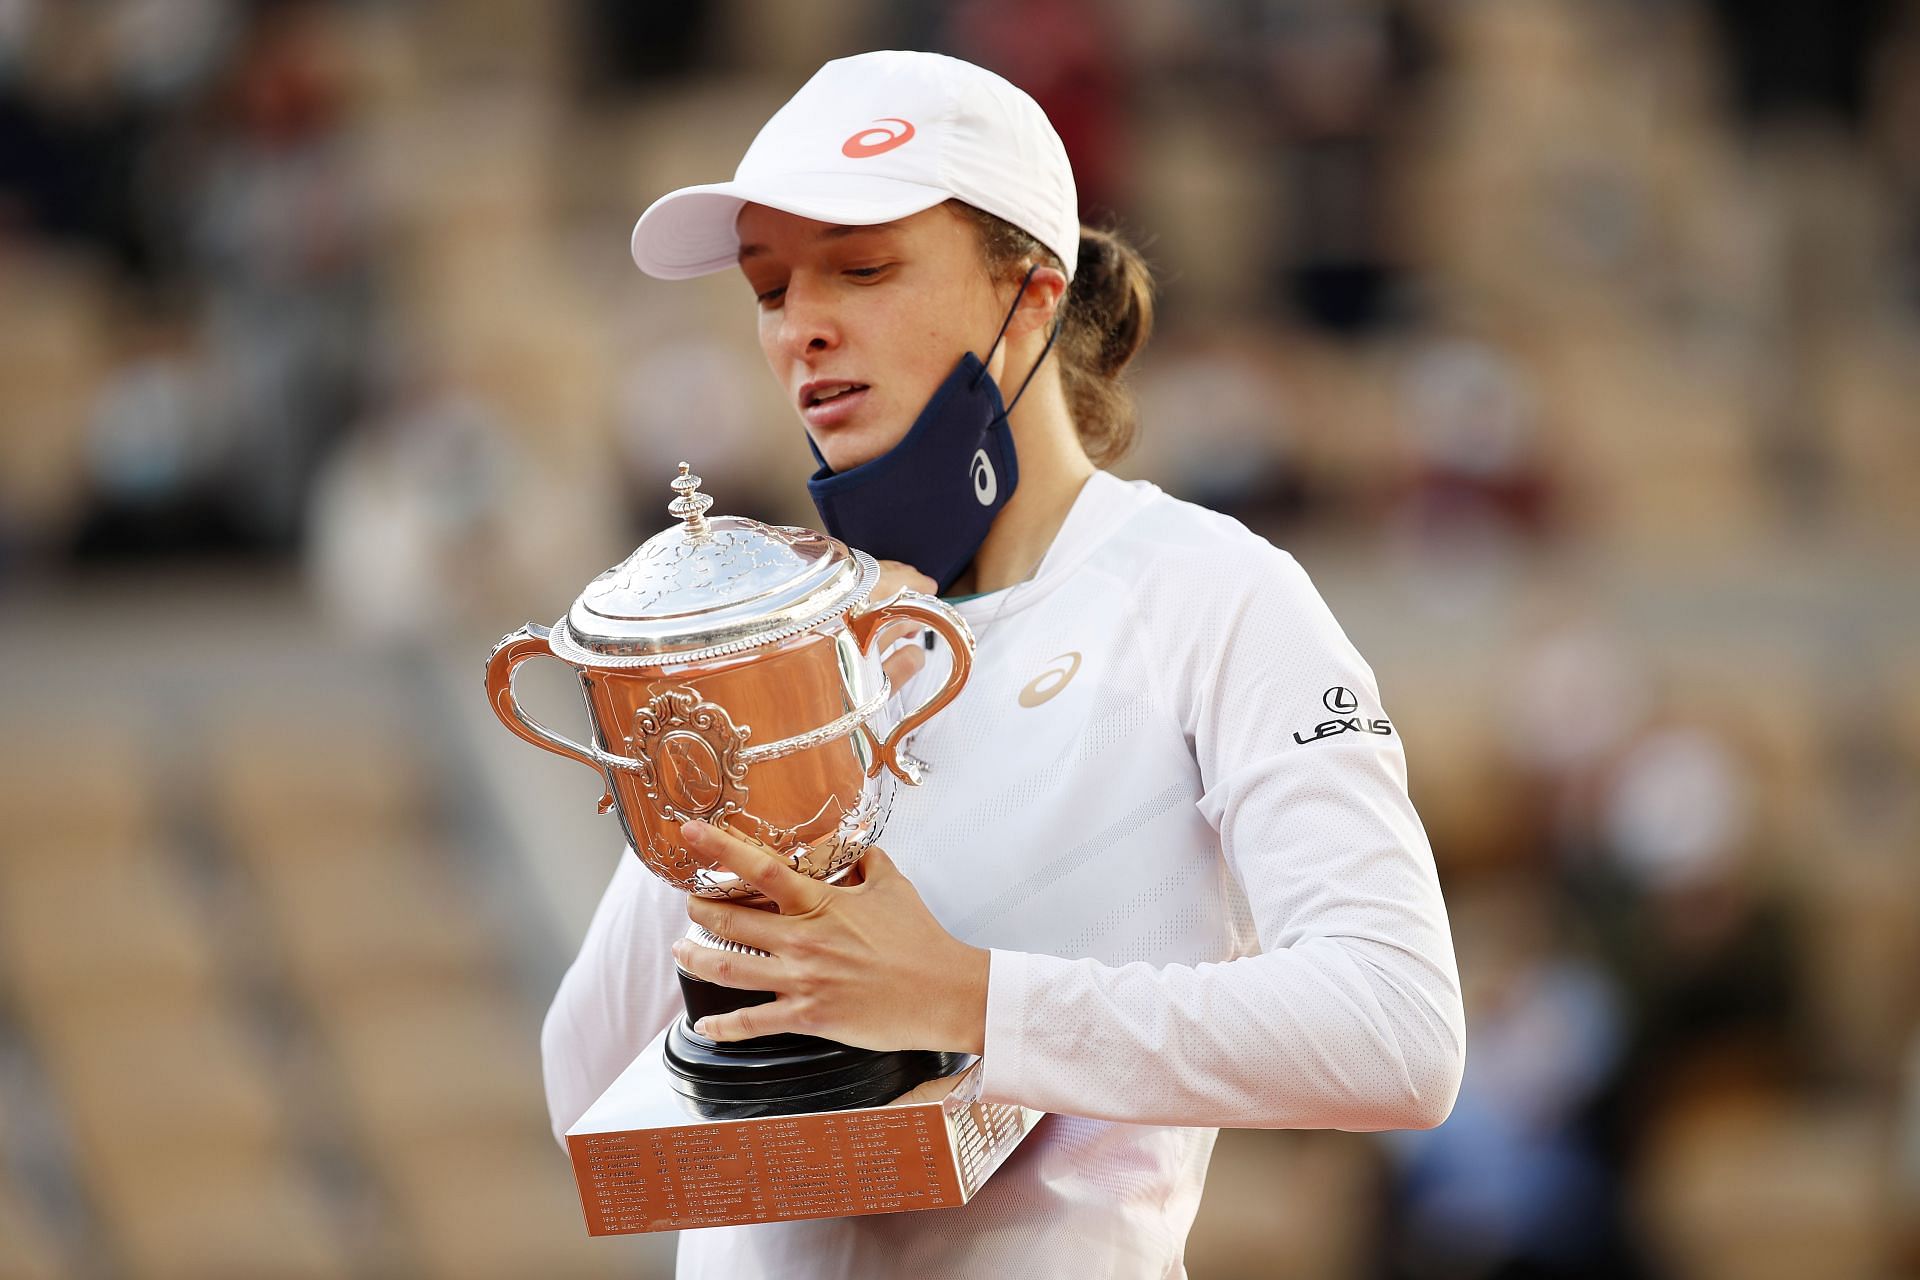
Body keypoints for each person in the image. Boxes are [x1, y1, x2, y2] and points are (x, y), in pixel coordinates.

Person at [541, 49, 1465, 1279]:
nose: (800, 326)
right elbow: (585, 1085)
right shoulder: (789, 630)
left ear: (1031, 294)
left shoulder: (1208, 592)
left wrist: (967, 996)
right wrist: (726, 697)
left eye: (863, 268)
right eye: (768, 288)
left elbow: (1397, 1030)